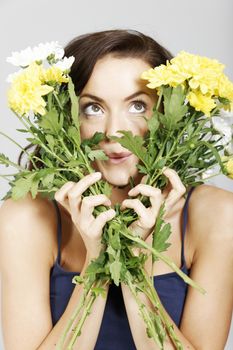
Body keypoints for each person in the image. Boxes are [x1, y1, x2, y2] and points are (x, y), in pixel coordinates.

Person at [0, 29, 233, 350]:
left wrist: (134, 260)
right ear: (65, 117)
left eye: (137, 106)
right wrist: (98, 263)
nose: (114, 131)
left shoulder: (218, 216)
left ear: (169, 114)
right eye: (93, 108)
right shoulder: (25, 218)